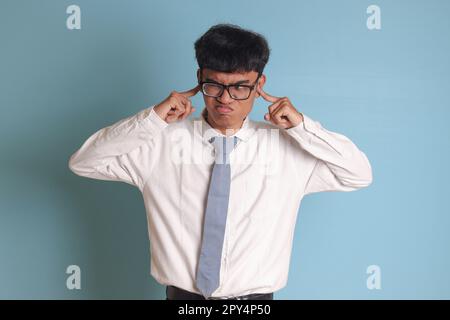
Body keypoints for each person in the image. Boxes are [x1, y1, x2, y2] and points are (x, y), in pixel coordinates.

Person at [68, 24, 373, 300]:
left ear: (259, 85)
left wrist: (302, 127)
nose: (225, 99)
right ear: (200, 80)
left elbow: (358, 174)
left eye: (240, 87)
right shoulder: (157, 142)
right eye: (214, 85)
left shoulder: (287, 149)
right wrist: (152, 120)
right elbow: (84, 162)